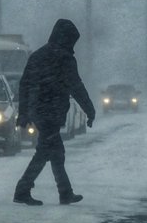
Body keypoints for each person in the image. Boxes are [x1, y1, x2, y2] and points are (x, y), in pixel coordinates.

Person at [13, 18, 96, 206]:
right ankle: (24, 190)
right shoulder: (64, 59)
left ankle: (63, 192)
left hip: (39, 111)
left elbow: (24, 84)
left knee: (54, 152)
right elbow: (77, 87)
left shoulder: (37, 56)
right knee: (46, 152)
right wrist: (90, 110)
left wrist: (24, 112)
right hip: (51, 112)